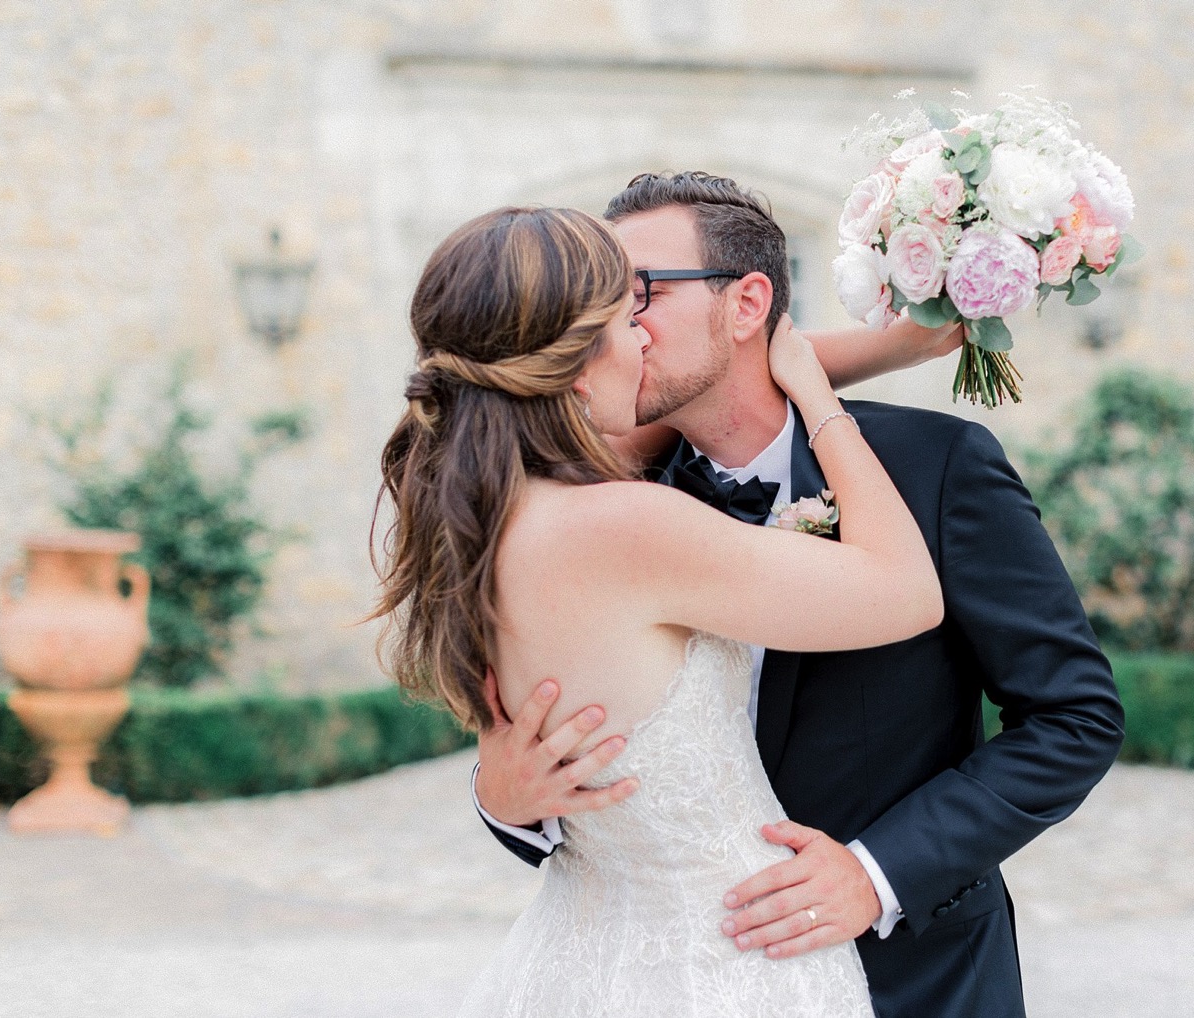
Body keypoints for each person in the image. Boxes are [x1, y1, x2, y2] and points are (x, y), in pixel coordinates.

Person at [473, 172, 1126, 1018]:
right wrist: (505, 803)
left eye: (635, 292)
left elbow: (1074, 719)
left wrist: (878, 871)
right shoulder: (602, 509)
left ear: (747, 305)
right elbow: (544, 727)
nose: (608, 327)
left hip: (912, 979)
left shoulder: (936, 469)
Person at [371, 204, 951, 1016]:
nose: (645, 338)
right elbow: (905, 594)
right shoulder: (622, 526)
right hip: (722, 965)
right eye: (623, 317)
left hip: (582, 953)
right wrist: (821, 406)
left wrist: (895, 345)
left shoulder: (477, 513)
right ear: (577, 366)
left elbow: (712, 378)